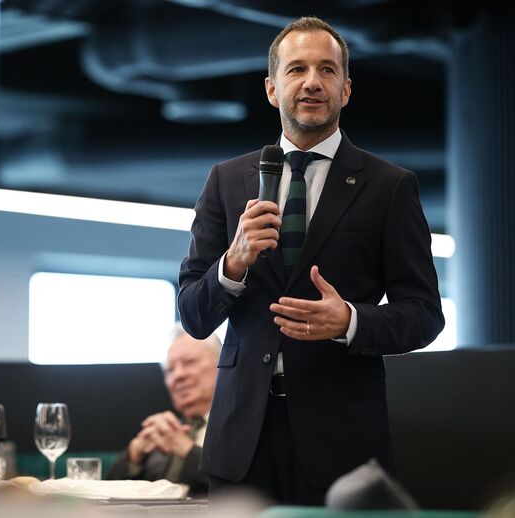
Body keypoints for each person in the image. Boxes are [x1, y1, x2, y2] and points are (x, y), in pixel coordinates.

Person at [178, 16, 444, 505]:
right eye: (297, 69)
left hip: (341, 442)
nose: (312, 82)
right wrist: (232, 264)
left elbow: (425, 314)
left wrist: (351, 320)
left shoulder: (389, 186)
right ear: (272, 89)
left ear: (346, 89)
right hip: (241, 441)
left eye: (327, 70)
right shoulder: (226, 180)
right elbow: (192, 316)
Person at [106, 327, 220, 497]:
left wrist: (189, 452)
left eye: (189, 362)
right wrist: (135, 456)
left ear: (222, 364)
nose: (178, 375)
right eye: (170, 370)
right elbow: (108, 496)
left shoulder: (243, 426)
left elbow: (243, 488)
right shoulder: (164, 437)